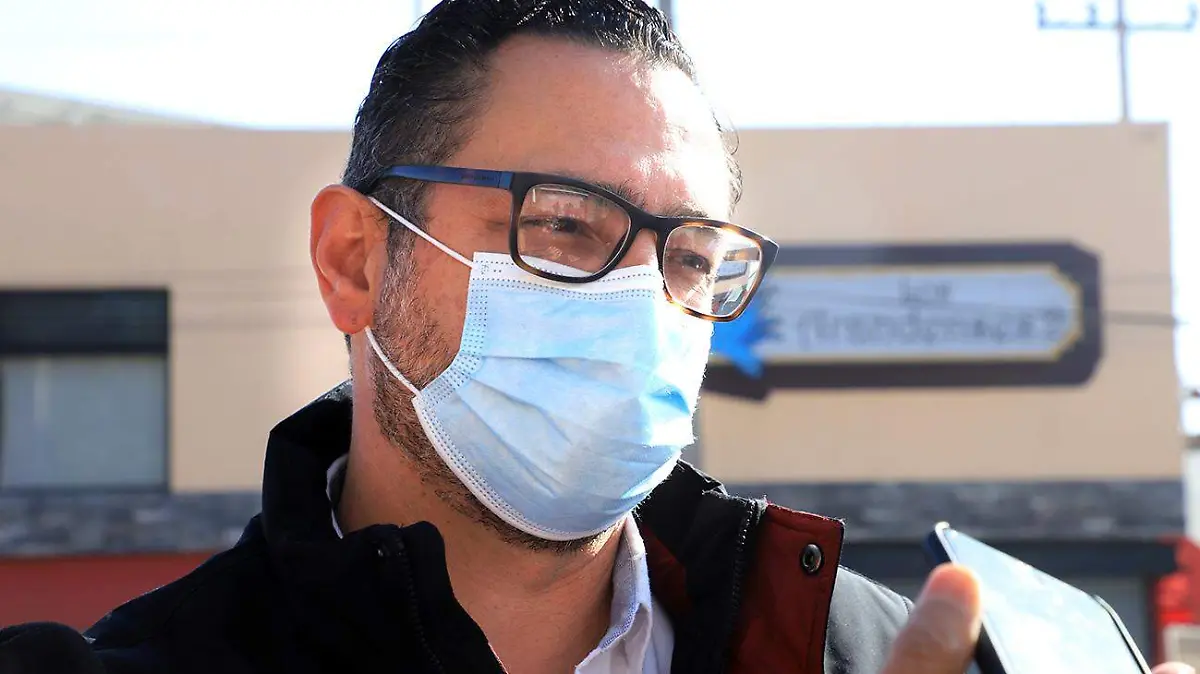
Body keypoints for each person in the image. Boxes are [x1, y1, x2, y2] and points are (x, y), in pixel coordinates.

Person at [0, 2, 1192, 673]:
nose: (642, 304)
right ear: (355, 260)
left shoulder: (886, 657)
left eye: (691, 257)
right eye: (564, 226)